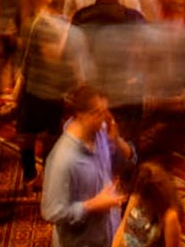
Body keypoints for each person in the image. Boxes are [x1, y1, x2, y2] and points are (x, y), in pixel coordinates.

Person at [41, 89, 124, 247]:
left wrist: (116, 140)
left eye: (106, 110)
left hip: (107, 235)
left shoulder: (100, 132)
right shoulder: (63, 159)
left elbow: (114, 163)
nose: (106, 117)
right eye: (99, 112)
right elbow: (52, 211)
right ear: (81, 115)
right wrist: (92, 205)